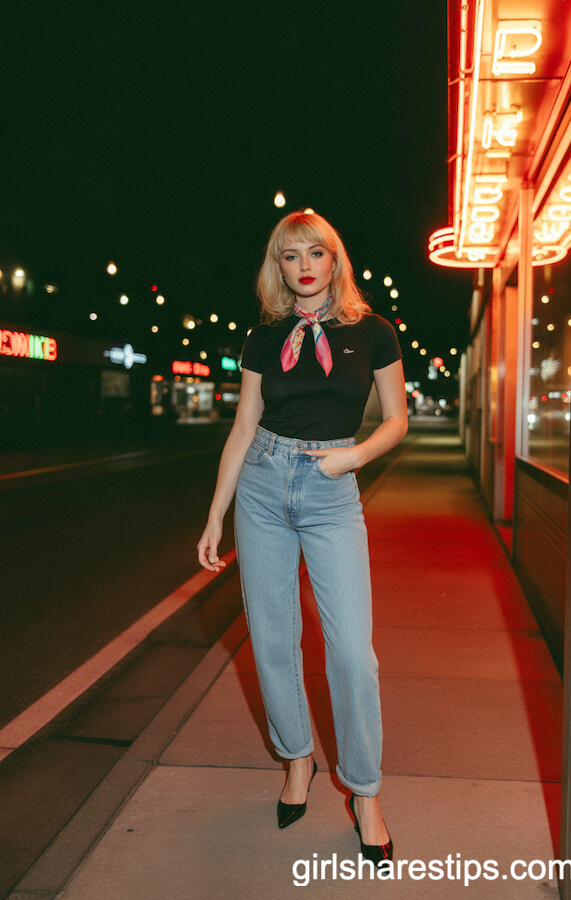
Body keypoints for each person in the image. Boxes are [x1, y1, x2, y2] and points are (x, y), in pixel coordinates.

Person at [197, 210, 408, 863]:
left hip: (329, 485)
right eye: (291, 256)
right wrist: (215, 514)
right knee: (272, 641)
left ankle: (365, 791)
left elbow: (396, 420)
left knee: (352, 653)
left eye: (316, 253)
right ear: (278, 267)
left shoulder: (373, 333)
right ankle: (297, 760)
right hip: (262, 482)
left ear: (334, 260)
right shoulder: (264, 340)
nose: (305, 266)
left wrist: (354, 456)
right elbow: (242, 427)